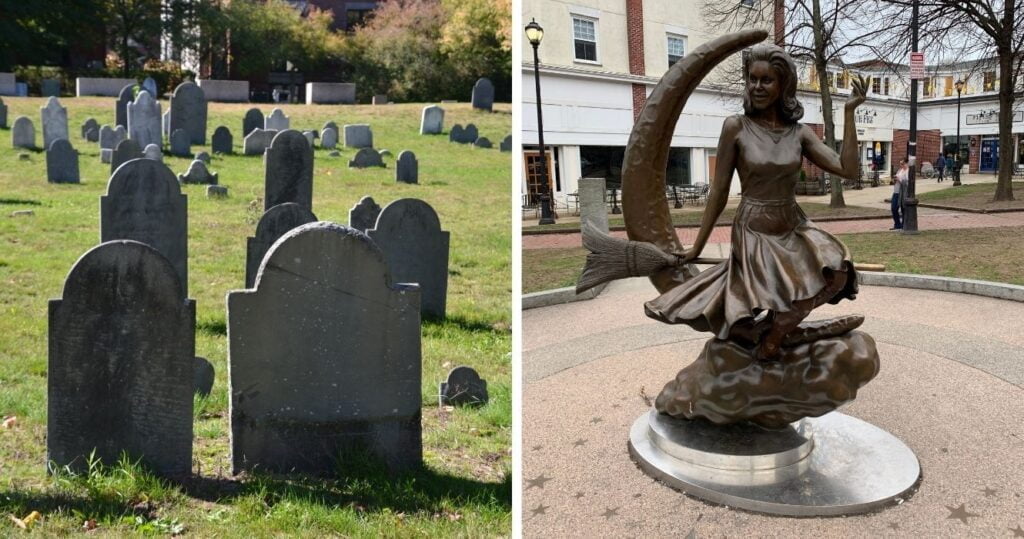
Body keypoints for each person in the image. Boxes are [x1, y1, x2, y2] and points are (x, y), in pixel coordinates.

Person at [644, 43, 865, 361]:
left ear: (783, 85)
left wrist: (849, 113)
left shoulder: (799, 133)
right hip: (755, 228)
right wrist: (697, 246)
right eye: (752, 79)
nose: (757, 87)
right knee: (775, 291)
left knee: (838, 273)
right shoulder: (736, 127)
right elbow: (719, 192)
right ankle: (771, 342)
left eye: (767, 80)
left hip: (793, 223)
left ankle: (775, 334)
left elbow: (848, 169)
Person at [892, 159, 908, 230]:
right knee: (893, 208)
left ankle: (903, 224)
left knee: (903, 208)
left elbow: (907, 183)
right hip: (896, 191)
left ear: (907, 163)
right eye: (900, 164)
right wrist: (894, 179)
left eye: (902, 163)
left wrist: (899, 180)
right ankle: (897, 224)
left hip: (902, 193)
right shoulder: (900, 170)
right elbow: (897, 179)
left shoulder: (908, 171)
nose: (901, 165)